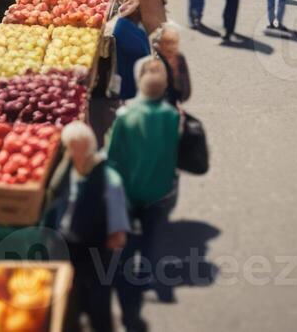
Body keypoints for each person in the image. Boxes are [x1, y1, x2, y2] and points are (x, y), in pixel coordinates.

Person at [44, 121, 133, 332]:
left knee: (98, 300)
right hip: (68, 243)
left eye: (77, 151)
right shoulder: (67, 167)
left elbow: (118, 233)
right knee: (71, 294)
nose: (73, 156)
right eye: (71, 151)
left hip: (96, 248)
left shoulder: (109, 181)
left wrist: (108, 255)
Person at [107, 57, 181, 306]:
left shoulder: (126, 115)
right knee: (150, 236)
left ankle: (124, 276)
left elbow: (113, 154)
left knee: (126, 234)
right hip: (159, 190)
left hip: (129, 188)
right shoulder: (171, 116)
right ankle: (145, 273)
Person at [111, 0, 153, 101]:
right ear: (133, 13)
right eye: (137, 10)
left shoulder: (130, 24)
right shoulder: (124, 27)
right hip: (131, 67)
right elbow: (139, 50)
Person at [152, 23, 193, 106]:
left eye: (173, 43)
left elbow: (186, 85)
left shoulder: (179, 58)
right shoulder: (156, 60)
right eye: (167, 43)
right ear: (161, 46)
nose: (171, 47)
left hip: (174, 99)